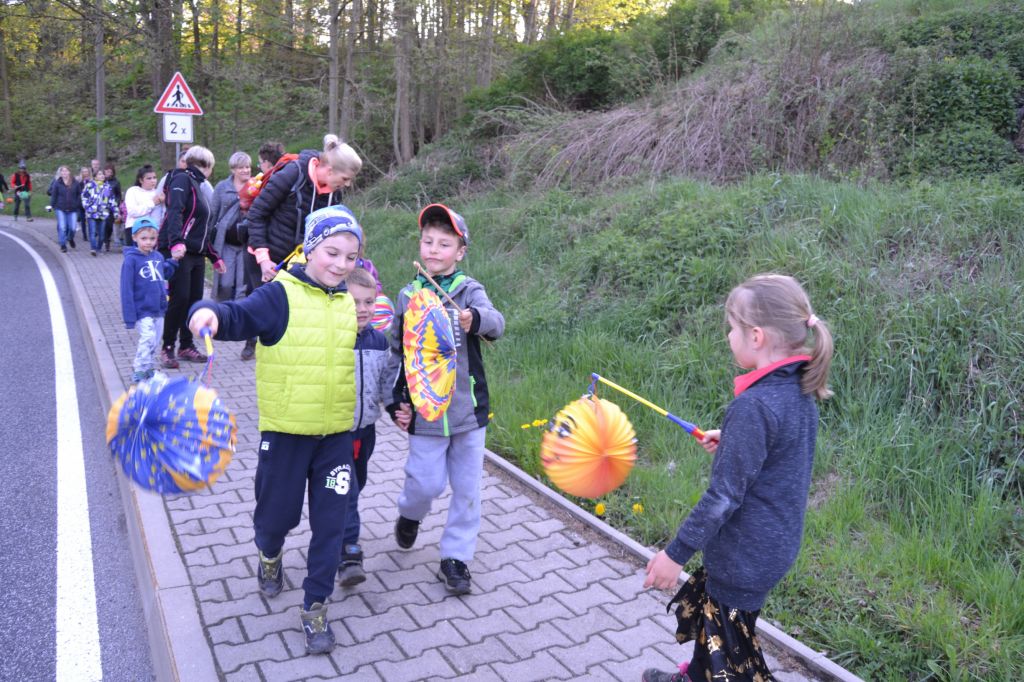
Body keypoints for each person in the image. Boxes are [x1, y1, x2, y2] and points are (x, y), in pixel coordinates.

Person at [186, 205, 363, 655]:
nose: (341, 264)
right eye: (332, 252)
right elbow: (236, 315)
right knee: (275, 518)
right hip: (285, 434)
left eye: (350, 257)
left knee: (331, 526)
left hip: (335, 438)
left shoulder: (347, 303)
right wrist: (207, 313)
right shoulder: (278, 295)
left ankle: (315, 605)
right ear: (310, 248)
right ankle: (269, 554)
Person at [640, 273, 834, 682]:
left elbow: (723, 497)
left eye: (732, 328)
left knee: (732, 654)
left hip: (744, 553)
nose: (729, 336)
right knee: (718, 628)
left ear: (756, 337)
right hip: (771, 545)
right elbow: (780, 456)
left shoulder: (755, 406)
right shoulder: (796, 390)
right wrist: (733, 442)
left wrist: (674, 555)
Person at [384, 203, 505, 595]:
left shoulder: (469, 290)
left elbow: (497, 323)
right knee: (425, 483)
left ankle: (456, 558)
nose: (434, 250)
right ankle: (410, 515)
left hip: (469, 413)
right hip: (426, 414)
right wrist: (395, 402)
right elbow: (396, 353)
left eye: (444, 243)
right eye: (428, 242)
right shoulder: (408, 296)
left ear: (460, 251)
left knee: (467, 491)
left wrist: (476, 319)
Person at [336, 266, 392, 588]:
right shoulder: (332, 340)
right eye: (354, 302)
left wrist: (397, 407)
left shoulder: (379, 341)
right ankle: (349, 553)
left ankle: (334, 527)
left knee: (358, 481)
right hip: (337, 432)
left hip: (366, 431)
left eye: (368, 302)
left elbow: (386, 383)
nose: (362, 309)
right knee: (348, 491)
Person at [242, 134, 362, 284]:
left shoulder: (335, 193)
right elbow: (256, 214)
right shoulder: (292, 173)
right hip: (266, 261)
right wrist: (264, 260)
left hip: (298, 266)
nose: (348, 184)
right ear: (330, 170)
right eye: (345, 178)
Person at [157, 145, 224, 369]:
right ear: (206, 165)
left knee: (194, 300)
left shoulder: (199, 185)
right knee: (179, 298)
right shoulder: (182, 180)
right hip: (180, 250)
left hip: (196, 253)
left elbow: (201, 228)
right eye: (211, 166)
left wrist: (214, 256)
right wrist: (176, 242)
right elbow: (174, 211)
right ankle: (167, 346)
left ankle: (186, 345)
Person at [120, 217, 178, 383]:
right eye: (143, 238)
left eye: (152, 238)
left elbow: (163, 274)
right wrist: (129, 316)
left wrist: (173, 262)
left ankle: (149, 368)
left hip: (158, 308)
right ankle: (139, 369)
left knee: (154, 341)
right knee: (147, 338)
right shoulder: (131, 260)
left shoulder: (158, 256)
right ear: (135, 238)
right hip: (142, 309)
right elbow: (126, 289)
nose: (148, 242)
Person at [210, 152, 252, 307]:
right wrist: (208, 243)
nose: (245, 170)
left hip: (247, 244)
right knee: (225, 283)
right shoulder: (222, 187)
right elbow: (213, 214)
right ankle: (222, 313)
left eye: (247, 167)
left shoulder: (256, 186)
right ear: (233, 169)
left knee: (243, 286)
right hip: (226, 244)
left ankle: (239, 316)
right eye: (241, 168)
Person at [124, 164, 165, 246]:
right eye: (149, 178)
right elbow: (132, 212)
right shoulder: (133, 191)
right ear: (141, 180)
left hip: (152, 231)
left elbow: (159, 216)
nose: (153, 181)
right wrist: (152, 203)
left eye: (154, 177)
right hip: (134, 228)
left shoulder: (158, 193)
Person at [81, 168, 117, 256]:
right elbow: (84, 197)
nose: (102, 176)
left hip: (103, 213)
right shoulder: (90, 185)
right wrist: (87, 206)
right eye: (100, 174)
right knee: (92, 232)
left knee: (101, 235)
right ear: (95, 176)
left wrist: (115, 211)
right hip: (92, 213)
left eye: (103, 174)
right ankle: (93, 249)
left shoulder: (107, 187)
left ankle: (99, 248)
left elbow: (111, 200)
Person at [47, 166, 82, 252]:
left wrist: (77, 204)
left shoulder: (75, 183)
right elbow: (54, 195)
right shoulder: (57, 183)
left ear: (69, 172)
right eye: (62, 171)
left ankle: (70, 238)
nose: (64, 173)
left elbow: (79, 194)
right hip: (60, 208)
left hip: (72, 209)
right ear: (60, 173)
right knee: (62, 227)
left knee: (73, 228)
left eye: (66, 171)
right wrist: (51, 206)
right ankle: (63, 245)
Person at [102, 163, 123, 251]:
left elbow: (118, 194)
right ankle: (103, 240)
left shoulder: (116, 182)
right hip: (101, 207)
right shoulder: (101, 181)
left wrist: (116, 203)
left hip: (111, 207)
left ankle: (107, 240)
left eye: (110, 172)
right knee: (102, 224)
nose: (108, 173)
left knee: (109, 225)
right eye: (107, 171)